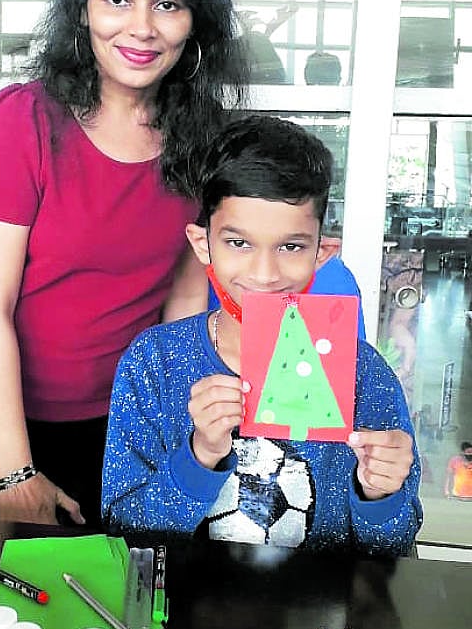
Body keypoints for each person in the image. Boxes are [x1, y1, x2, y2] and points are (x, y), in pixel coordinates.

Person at [0, 0, 248, 527]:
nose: (140, 27)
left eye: (167, 4)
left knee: (134, 605)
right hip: (5, 423)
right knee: (28, 612)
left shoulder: (206, 139)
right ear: (83, 7)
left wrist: (181, 433)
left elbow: (183, 310)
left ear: (195, 22)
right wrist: (16, 472)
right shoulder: (23, 120)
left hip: (128, 418)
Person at [102, 114, 422, 554]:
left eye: (291, 247)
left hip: (317, 614)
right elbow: (124, 530)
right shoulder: (153, 362)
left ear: (321, 253)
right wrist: (198, 455)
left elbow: (395, 544)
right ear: (202, 245)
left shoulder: (365, 376)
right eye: (238, 243)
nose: (265, 274)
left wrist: (379, 494)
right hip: (184, 609)